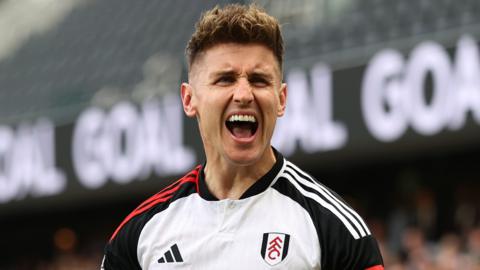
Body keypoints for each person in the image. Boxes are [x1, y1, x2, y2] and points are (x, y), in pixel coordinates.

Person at [102, 3, 384, 269]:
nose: (244, 94)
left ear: (281, 99)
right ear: (189, 99)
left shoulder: (335, 229)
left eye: (259, 80)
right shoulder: (137, 236)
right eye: (225, 79)